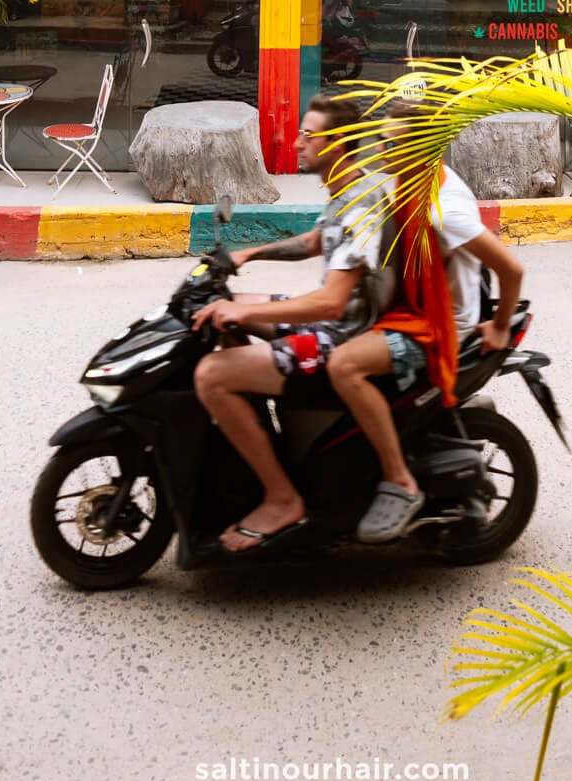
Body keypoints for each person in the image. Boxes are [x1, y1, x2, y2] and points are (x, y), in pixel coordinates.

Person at [191, 93, 389, 554]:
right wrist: (249, 253)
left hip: (341, 339)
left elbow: (331, 304)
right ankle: (263, 448)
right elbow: (315, 242)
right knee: (226, 308)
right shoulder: (347, 188)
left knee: (211, 375)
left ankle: (282, 498)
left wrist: (248, 313)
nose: (297, 142)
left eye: (308, 134)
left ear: (337, 144)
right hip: (334, 326)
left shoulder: (360, 204)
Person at [326, 98, 524, 545]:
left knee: (344, 365)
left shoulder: (442, 207)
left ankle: (400, 481)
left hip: (438, 326)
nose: (384, 150)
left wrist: (498, 327)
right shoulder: (410, 182)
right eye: (382, 141)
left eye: (393, 144)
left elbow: (511, 269)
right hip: (413, 307)